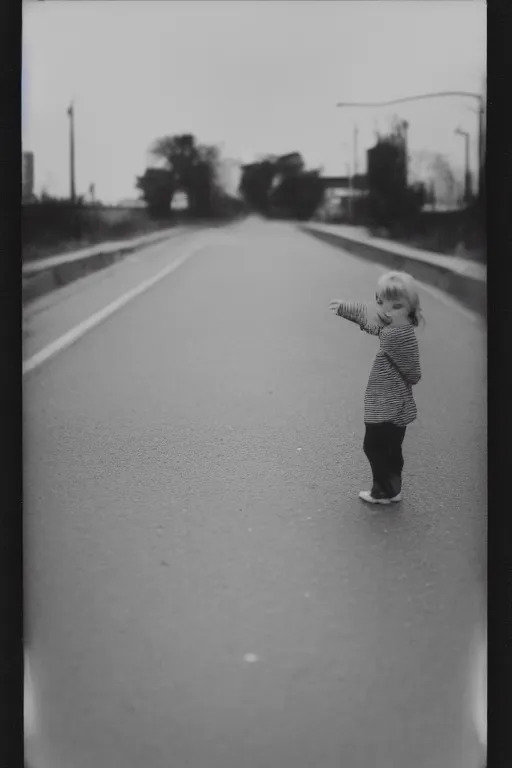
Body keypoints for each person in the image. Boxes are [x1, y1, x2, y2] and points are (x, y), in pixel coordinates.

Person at [329, 271, 423, 505]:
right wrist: (347, 308)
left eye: (396, 305)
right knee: (391, 449)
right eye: (381, 302)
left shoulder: (395, 336)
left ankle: (382, 491)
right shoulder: (401, 330)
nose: (386, 310)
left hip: (386, 407)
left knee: (373, 446)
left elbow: (413, 373)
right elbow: (374, 320)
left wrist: (346, 309)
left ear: (411, 310)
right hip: (395, 407)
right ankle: (392, 488)